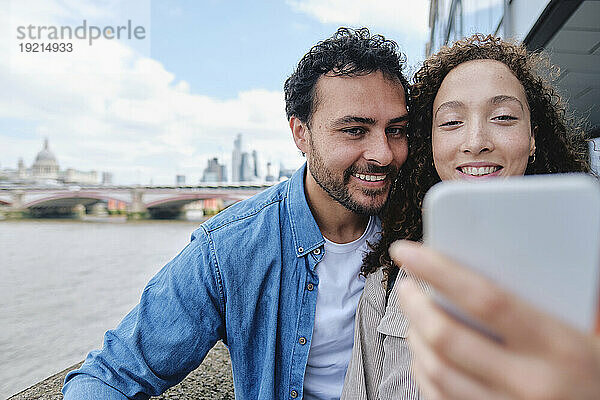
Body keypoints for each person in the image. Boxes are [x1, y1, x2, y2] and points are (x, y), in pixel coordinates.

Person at [61, 27, 411, 400]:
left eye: (397, 130)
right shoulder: (230, 248)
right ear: (301, 134)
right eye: (355, 130)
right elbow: (110, 376)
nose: (384, 153)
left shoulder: (419, 225)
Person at [341, 34, 593, 400]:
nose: (475, 141)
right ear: (430, 144)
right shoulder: (389, 280)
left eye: (503, 117)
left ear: (533, 138)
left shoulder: (590, 270)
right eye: (451, 122)